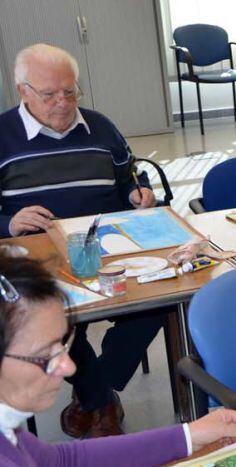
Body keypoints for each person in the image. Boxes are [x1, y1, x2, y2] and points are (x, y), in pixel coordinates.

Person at [0, 44, 164, 437]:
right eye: (49, 94)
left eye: (70, 92)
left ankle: (97, 390)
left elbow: (129, 177)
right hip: (34, 263)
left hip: (106, 249)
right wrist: (8, 221)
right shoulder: (3, 136)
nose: (63, 103)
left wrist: (137, 194)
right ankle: (101, 402)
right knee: (48, 316)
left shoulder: (101, 127)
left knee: (160, 301)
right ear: (23, 91)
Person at [0, 257, 236, 467]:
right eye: (45, 355)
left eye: (64, 345)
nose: (68, 367)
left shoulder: (9, 434)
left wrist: (188, 436)